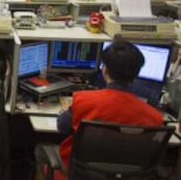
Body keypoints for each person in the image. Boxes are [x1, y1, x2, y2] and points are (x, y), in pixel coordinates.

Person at [34, 37, 163, 177]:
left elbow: (62, 127)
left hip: (81, 173)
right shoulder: (154, 117)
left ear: (105, 69)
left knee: (41, 150)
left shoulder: (84, 100)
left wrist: (67, 110)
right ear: (137, 73)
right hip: (126, 175)